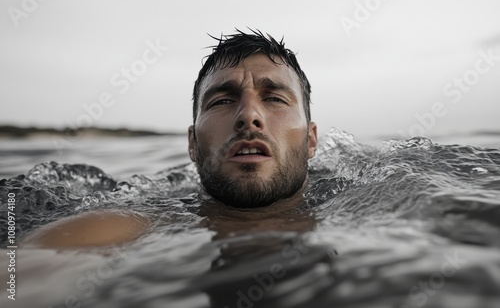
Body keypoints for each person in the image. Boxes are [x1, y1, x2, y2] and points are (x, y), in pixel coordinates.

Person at [22, 29, 318, 248]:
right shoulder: (135, 221)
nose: (249, 115)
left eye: (275, 98)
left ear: (311, 140)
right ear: (192, 143)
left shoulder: (360, 205)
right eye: (222, 101)